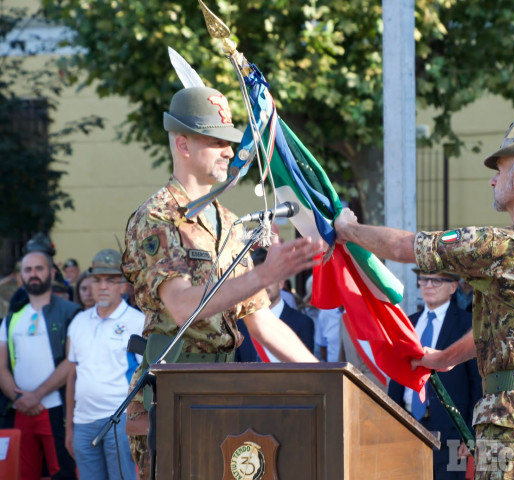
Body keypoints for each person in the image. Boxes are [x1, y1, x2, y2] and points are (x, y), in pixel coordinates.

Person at [336, 111, 514, 478]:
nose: (493, 181)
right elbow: (511, 331)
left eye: (500, 170)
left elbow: (406, 247)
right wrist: (446, 357)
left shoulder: (505, 247)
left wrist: (349, 229)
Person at [122, 86, 322, 479]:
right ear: (183, 144)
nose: (230, 151)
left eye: (230, 142)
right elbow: (182, 306)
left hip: (224, 388)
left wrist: (330, 374)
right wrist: (265, 274)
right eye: (217, 142)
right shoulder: (157, 218)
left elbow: (261, 322)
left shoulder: (229, 223)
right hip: (174, 391)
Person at [388, 271, 481, 480]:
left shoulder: (468, 325)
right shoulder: (408, 323)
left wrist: (471, 434)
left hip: (453, 433)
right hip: (408, 425)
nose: (428, 285)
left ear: (453, 287)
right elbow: (397, 377)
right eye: (424, 279)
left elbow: (477, 383)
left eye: (437, 280)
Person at [0, 251, 80, 480]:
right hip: (20, 410)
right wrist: (19, 399)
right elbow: (1, 366)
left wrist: (38, 395)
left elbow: (72, 361)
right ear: (20, 277)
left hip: (56, 410)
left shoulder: (70, 313)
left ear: (52, 272)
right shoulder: (11, 317)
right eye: (28, 270)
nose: (33, 274)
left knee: (62, 475)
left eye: (39, 268)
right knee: (22, 475)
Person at [66, 249, 144, 480]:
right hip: (82, 422)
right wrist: (69, 425)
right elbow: (72, 376)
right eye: (98, 280)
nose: (102, 286)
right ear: (89, 283)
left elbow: (147, 377)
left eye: (110, 280)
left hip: (119, 421)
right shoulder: (79, 321)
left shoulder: (137, 322)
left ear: (122, 285)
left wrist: (139, 423)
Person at [234, 248, 315, 361]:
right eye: (257, 279)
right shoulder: (239, 324)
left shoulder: (302, 323)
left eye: (268, 278)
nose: (263, 285)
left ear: (281, 283)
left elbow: (303, 372)